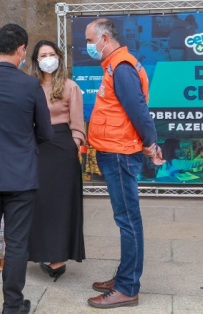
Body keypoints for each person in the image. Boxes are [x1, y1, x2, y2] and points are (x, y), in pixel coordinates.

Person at [0, 24, 53, 314]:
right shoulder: (31, 86)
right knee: (16, 244)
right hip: (21, 175)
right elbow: (46, 132)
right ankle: (13, 305)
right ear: (21, 50)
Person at [84, 18, 162, 309]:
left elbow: (139, 111)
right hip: (114, 152)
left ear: (105, 38)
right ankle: (122, 278)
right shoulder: (116, 65)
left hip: (119, 155)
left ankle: (128, 287)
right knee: (126, 219)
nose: (88, 46)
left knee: (128, 221)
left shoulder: (122, 67)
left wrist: (151, 144)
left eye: (90, 40)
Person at [26, 40, 86, 281]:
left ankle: (59, 256)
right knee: (39, 202)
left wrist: (74, 145)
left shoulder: (71, 87)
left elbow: (78, 125)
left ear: (59, 58)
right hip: (36, 148)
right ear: (36, 60)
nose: (48, 58)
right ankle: (39, 250)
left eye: (52, 54)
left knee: (62, 204)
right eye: (43, 55)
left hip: (62, 149)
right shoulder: (29, 87)